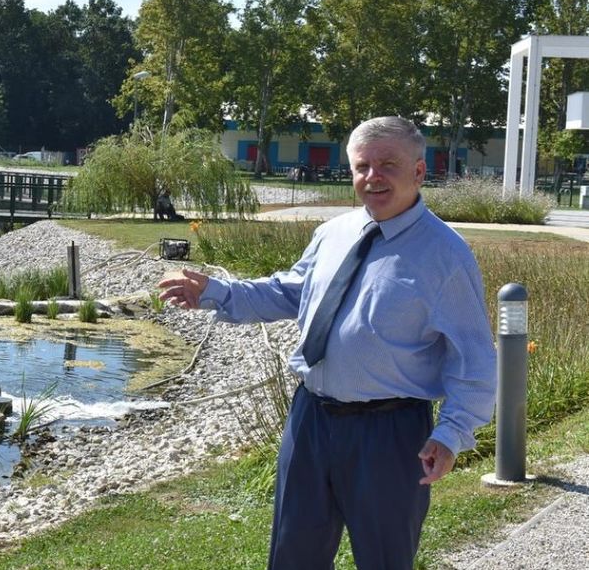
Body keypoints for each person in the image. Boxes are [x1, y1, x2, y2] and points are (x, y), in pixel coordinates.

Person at [158, 116, 496, 570]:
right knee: (293, 555)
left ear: (418, 172)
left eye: (388, 165)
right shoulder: (333, 232)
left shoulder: (446, 255)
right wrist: (217, 293)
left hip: (389, 434)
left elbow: (473, 358)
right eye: (362, 166)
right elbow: (291, 292)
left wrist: (452, 433)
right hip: (310, 419)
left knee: (384, 559)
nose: (372, 177)